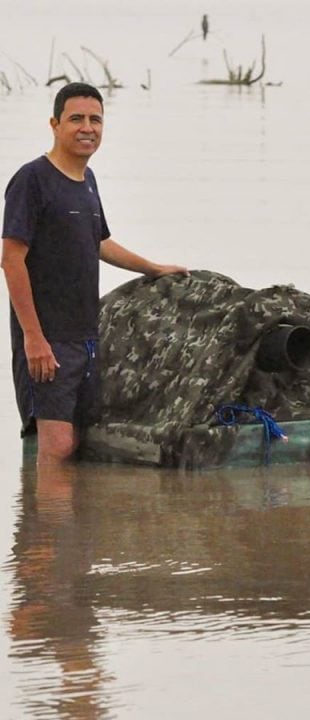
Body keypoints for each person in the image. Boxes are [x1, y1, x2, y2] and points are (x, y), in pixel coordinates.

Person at [1, 82, 188, 465]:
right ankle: (46, 523)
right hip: (47, 342)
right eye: (76, 119)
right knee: (56, 447)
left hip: (85, 338)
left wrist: (152, 268)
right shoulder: (32, 180)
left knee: (76, 445)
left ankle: (55, 523)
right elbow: (11, 259)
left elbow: (98, 242)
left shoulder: (87, 182)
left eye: (95, 120)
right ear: (54, 124)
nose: (87, 128)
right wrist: (33, 339)